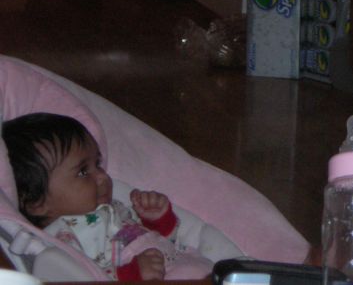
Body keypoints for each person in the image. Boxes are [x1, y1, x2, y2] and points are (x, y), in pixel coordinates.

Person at [2, 112, 221, 280]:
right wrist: (131, 274)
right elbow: (83, 277)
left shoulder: (114, 208)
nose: (101, 176)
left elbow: (160, 244)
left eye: (97, 163)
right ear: (37, 203)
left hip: (195, 268)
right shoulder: (64, 237)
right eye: (83, 172)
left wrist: (156, 222)